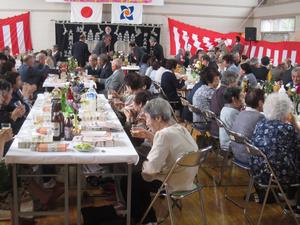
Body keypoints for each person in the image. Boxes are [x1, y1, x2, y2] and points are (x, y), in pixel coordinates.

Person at [121, 98, 198, 224]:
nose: (146, 122)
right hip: (188, 178)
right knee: (138, 177)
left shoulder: (163, 135)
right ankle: (145, 216)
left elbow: (149, 172)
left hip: (172, 183)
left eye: (147, 118)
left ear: (158, 118)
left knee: (128, 180)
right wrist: (150, 136)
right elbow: (170, 145)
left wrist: (139, 164)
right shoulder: (180, 128)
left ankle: (146, 220)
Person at [250, 93, 300, 209]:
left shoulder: (261, 123)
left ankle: (288, 195)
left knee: (290, 157)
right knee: (295, 161)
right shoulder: (287, 129)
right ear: (286, 111)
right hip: (274, 175)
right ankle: (296, 206)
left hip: (257, 171)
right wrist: (294, 124)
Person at [231, 89, 265, 166]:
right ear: (260, 103)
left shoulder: (241, 113)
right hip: (248, 157)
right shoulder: (260, 117)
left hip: (235, 152)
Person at [210, 71, 238, 137]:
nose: (237, 84)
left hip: (214, 126)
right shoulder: (227, 93)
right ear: (231, 82)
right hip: (222, 129)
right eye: (236, 82)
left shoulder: (217, 90)